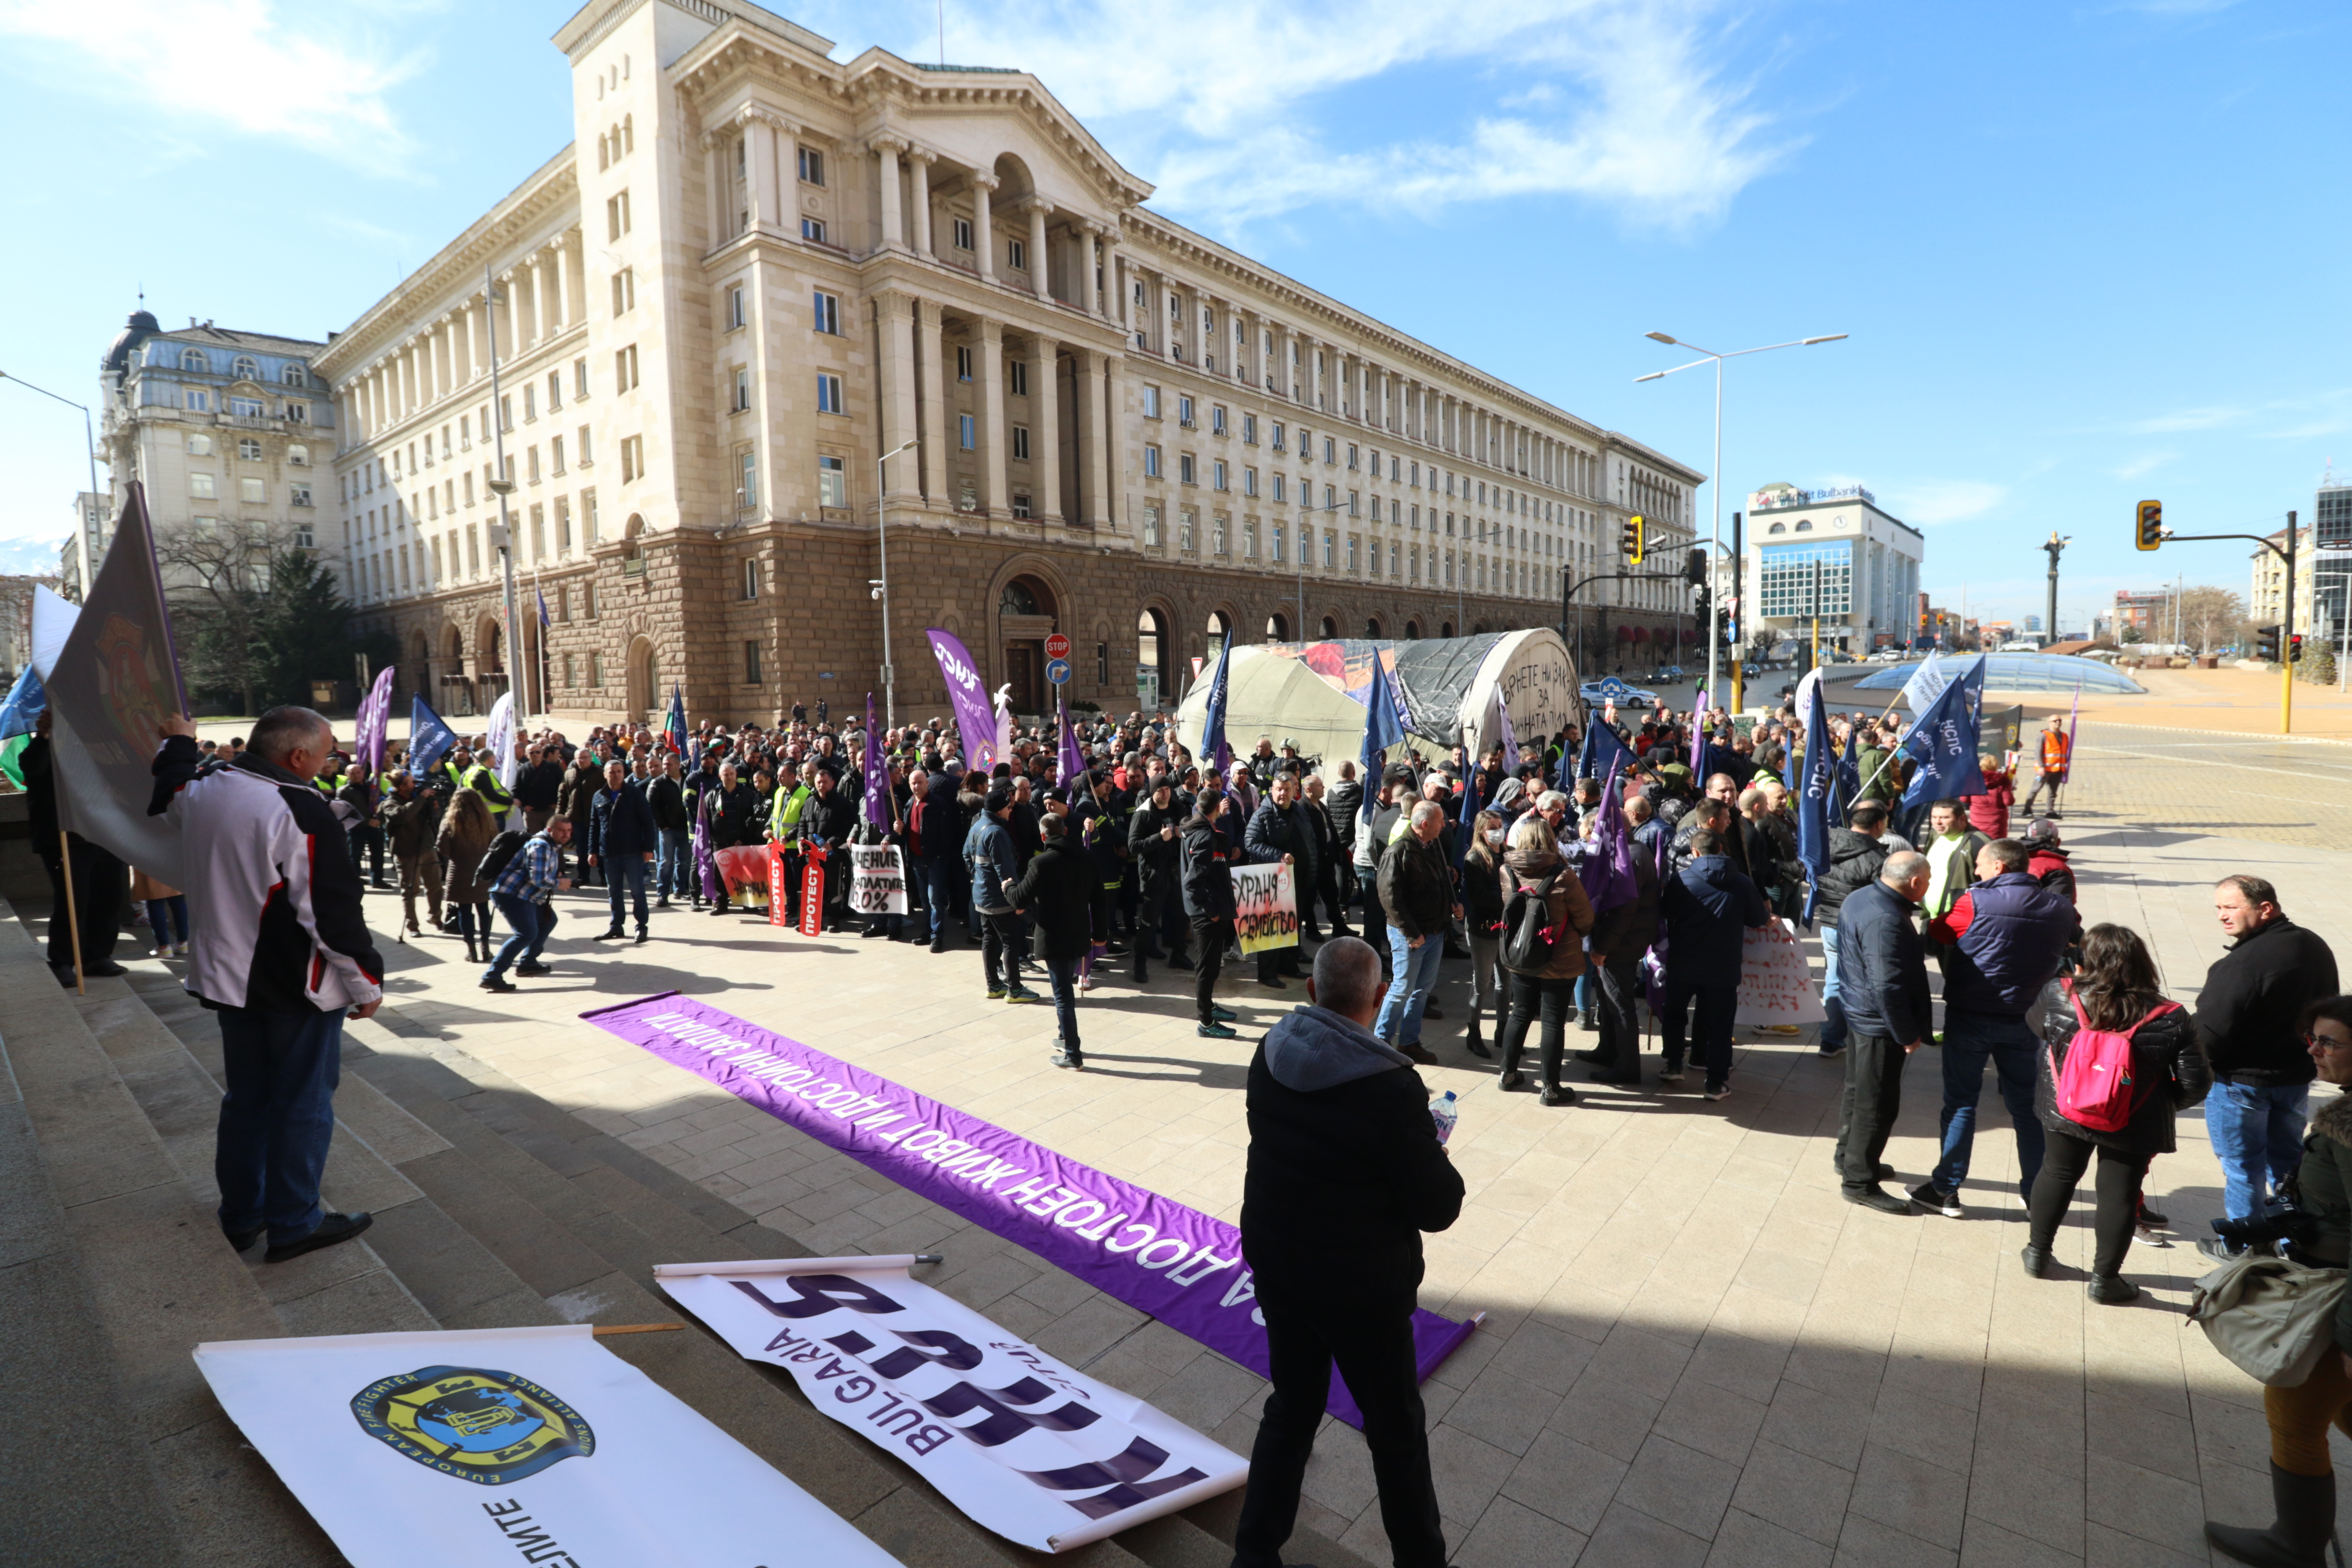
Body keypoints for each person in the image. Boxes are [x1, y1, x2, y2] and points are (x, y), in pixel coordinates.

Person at [1231, 937, 1464, 1568]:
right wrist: (1430, 1154)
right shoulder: (1391, 1090)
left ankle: (1253, 1554)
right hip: (1361, 1290)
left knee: (1292, 1407)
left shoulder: (1271, 1050)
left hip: (1281, 1267)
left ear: (1311, 991)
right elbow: (1439, 1207)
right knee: (1395, 1436)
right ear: (1380, 997)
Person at [149, 707, 380, 1264]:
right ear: (297, 757)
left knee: (247, 1100)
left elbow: (168, 790)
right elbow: (331, 914)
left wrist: (178, 741)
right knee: (302, 1104)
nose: (330, 764)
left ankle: (241, 1215)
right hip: (290, 986)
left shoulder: (209, 786)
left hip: (228, 981)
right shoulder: (301, 810)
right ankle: (294, 1221)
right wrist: (366, 982)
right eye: (326, 754)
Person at [2199, 996, 2352, 1565]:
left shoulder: (2349, 1131)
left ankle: (2296, 1546)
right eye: (2311, 1038)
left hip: (2338, 1301)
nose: (2313, 1050)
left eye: (2329, 1042)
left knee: (2293, 1419)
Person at [2019, 924, 2208, 1305]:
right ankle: (2106, 1280)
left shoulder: (2060, 993)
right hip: (2134, 1119)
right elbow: (2196, 1081)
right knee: (2119, 1195)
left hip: (2067, 1107)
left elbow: (2037, 1028)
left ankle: (2038, 1254)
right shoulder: (2171, 1015)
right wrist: (2161, 1102)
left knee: (2056, 1173)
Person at [1911, 838, 2078, 1216]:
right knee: (2027, 1107)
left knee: (1961, 1102)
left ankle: (1945, 1189)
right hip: (2028, 1020)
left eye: (1981, 867)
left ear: (2000, 867)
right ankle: (2036, 1192)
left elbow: (1940, 933)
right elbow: (2073, 938)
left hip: (1971, 1015)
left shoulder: (1975, 901)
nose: (1977, 873)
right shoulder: (2060, 907)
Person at [2196, 875, 2341, 1233]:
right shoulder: (2314, 945)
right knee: (2289, 1164)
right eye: (2218, 908)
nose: (2221, 916)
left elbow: (2209, 1036)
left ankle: (2248, 1249)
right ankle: (2293, 1240)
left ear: (2265, 909)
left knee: (2243, 1168)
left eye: (2231, 907)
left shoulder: (2243, 964)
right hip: (2293, 1080)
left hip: (2241, 1086)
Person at [1834, 850, 1935, 1212]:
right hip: (1877, 1023)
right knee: (1876, 1104)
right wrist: (1907, 1033)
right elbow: (1887, 985)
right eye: (1928, 880)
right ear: (1915, 882)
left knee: (1858, 1091)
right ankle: (1859, 1181)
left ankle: (1850, 1158)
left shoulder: (1862, 897)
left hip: (1860, 1013)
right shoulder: (1886, 919)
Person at [1659, 826, 1770, 1101]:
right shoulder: (1742, 882)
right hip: (1723, 967)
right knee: (1721, 1025)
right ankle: (1716, 1081)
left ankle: (1673, 1064)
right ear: (1721, 849)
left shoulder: (1681, 880)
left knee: (1674, 1014)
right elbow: (1758, 919)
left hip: (1683, 963)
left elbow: (1664, 914)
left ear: (1694, 853)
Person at [1494, 814, 1598, 1104]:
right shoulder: (1564, 875)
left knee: (1520, 1013)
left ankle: (1508, 1074)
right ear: (1551, 842)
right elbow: (1586, 918)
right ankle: (1550, 1089)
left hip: (1521, 953)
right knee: (1553, 1021)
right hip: (1558, 956)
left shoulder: (1508, 871)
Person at [24, 709, 129, 982]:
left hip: (106, 835)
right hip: (67, 839)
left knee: (110, 898)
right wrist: (44, 736)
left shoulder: (103, 747)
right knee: (73, 902)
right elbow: (33, 768)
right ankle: (63, 961)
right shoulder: (46, 746)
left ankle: (98, 956)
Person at [1580, 795, 1660, 1086]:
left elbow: (1623, 912)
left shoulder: (1630, 859)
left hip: (1620, 945)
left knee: (1619, 1004)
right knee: (1606, 999)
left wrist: (1602, 948)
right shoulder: (1631, 851)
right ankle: (1608, 1050)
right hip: (1622, 941)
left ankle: (1627, 1067)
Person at [1011, 813, 1096, 1070]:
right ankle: (1064, 1037)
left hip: (1055, 939)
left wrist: (1006, 887)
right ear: (1066, 830)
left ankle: (1073, 1053)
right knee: (1065, 990)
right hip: (1079, 935)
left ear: (1043, 836)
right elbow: (1100, 899)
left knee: (1063, 997)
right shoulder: (1085, 857)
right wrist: (1101, 933)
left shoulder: (1040, 863)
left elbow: (1019, 899)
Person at [1374, 801, 1456, 1067]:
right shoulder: (1398, 851)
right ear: (1425, 824)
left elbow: (1438, 883)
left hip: (1434, 932)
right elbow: (1390, 898)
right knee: (1401, 990)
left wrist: (1452, 904)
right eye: (1440, 821)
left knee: (1421, 991)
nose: (1444, 825)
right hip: (1410, 936)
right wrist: (1411, 933)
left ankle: (1409, 1042)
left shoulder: (1433, 848)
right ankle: (1380, 1044)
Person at [1812, 802, 1893, 1060]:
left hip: (1829, 924)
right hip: (1859, 930)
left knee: (1834, 982)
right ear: (1879, 825)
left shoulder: (1827, 845)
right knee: (1865, 985)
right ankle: (1861, 1040)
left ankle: (1831, 1040)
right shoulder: (1877, 859)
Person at [967, 784, 1041, 1005]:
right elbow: (1006, 870)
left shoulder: (978, 825)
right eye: (1009, 807)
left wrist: (978, 880)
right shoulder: (997, 832)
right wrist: (1016, 898)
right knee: (1011, 941)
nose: (1011, 810)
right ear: (1000, 810)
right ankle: (1015, 990)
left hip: (981, 896)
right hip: (999, 899)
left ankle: (994, 986)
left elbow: (966, 857)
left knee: (989, 939)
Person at [481, 818, 573, 991]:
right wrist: (559, 883)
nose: (566, 835)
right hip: (512, 895)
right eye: (562, 830)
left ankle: (528, 963)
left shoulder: (552, 844)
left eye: (569, 831)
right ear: (550, 829)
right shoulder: (541, 845)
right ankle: (492, 976)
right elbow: (538, 879)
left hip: (528, 896)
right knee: (526, 934)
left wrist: (557, 875)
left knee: (548, 921)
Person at [1180, 791, 1242, 1039]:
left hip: (1208, 911)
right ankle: (1205, 1022)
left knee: (1212, 965)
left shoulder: (1196, 826)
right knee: (1207, 968)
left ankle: (1210, 1006)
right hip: (1207, 915)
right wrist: (1212, 911)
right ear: (1217, 807)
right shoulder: (1205, 837)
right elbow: (1192, 882)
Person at [588, 758, 657, 943]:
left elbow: (647, 822)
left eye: (619, 771)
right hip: (609, 854)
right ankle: (616, 927)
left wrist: (648, 848)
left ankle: (641, 926)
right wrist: (592, 851)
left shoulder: (634, 793)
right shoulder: (599, 796)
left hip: (632, 852)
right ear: (605, 774)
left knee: (637, 891)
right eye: (612, 772)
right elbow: (594, 825)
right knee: (614, 892)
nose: (616, 775)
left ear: (624, 773)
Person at [1459, 807, 1507, 1060]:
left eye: (1500, 825)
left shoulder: (1507, 854)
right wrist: (1510, 897)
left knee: (1506, 982)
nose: (1498, 831)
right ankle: (1474, 1034)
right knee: (1481, 983)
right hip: (1484, 928)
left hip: (1506, 928)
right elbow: (1479, 898)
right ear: (1481, 831)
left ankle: (1503, 1032)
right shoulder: (1475, 858)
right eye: (1492, 828)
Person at [436, 786, 499, 963]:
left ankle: (471, 951)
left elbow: (444, 849)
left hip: (460, 871)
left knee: (465, 910)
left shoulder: (450, 822)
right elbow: (495, 843)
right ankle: (486, 948)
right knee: (484, 909)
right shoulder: (487, 820)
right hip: (483, 870)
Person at [383, 769, 444, 938]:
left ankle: (435, 917)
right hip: (406, 852)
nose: (415, 784)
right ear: (403, 787)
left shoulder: (418, 798)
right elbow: (403, 816)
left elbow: (434, 818)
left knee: (436, 886)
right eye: (411, 782)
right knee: (410, 890)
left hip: (426, 848)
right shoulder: (390, 803)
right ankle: (413, 926)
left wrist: (434, 808)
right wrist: (421, 798)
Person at [647, 752, 692, 908]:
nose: (666, 767)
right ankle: (663, 894)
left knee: (684, 861)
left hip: (686, 828)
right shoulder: (658, 783)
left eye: (669, 764)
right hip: (668, 830)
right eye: (664, 764)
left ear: (678, 765)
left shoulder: (689, 779)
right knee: (666, 862)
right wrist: (662, 825)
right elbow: (651, 806)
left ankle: (680, 890)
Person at [133, 865, 190, 959]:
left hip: (149, 860)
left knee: (155, 901)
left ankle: (164, 947)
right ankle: (183, 943)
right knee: (178, 900)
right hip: (171, 860)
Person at [2019, 714, 2070, 817]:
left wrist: (2066, 763)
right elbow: (2038, 752)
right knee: (2035, 790)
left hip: (2058, 769)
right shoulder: (2044, 735)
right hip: (2045, 769)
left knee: (2053, 792)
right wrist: (2041, 767)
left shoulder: (2065, 736)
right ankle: (2027, 810)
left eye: (2059, 720)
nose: (2058, 723)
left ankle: (2050, 811)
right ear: (2049, 723)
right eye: (2055, 721)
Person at [1966, 753, 2015, 842]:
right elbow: (2009, 802)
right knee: (1996, 850)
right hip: (1996, 825)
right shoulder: (2003, 780)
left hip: (1977, 822)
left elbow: (1964, 799)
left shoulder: (1973, 779)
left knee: (1978, 847)